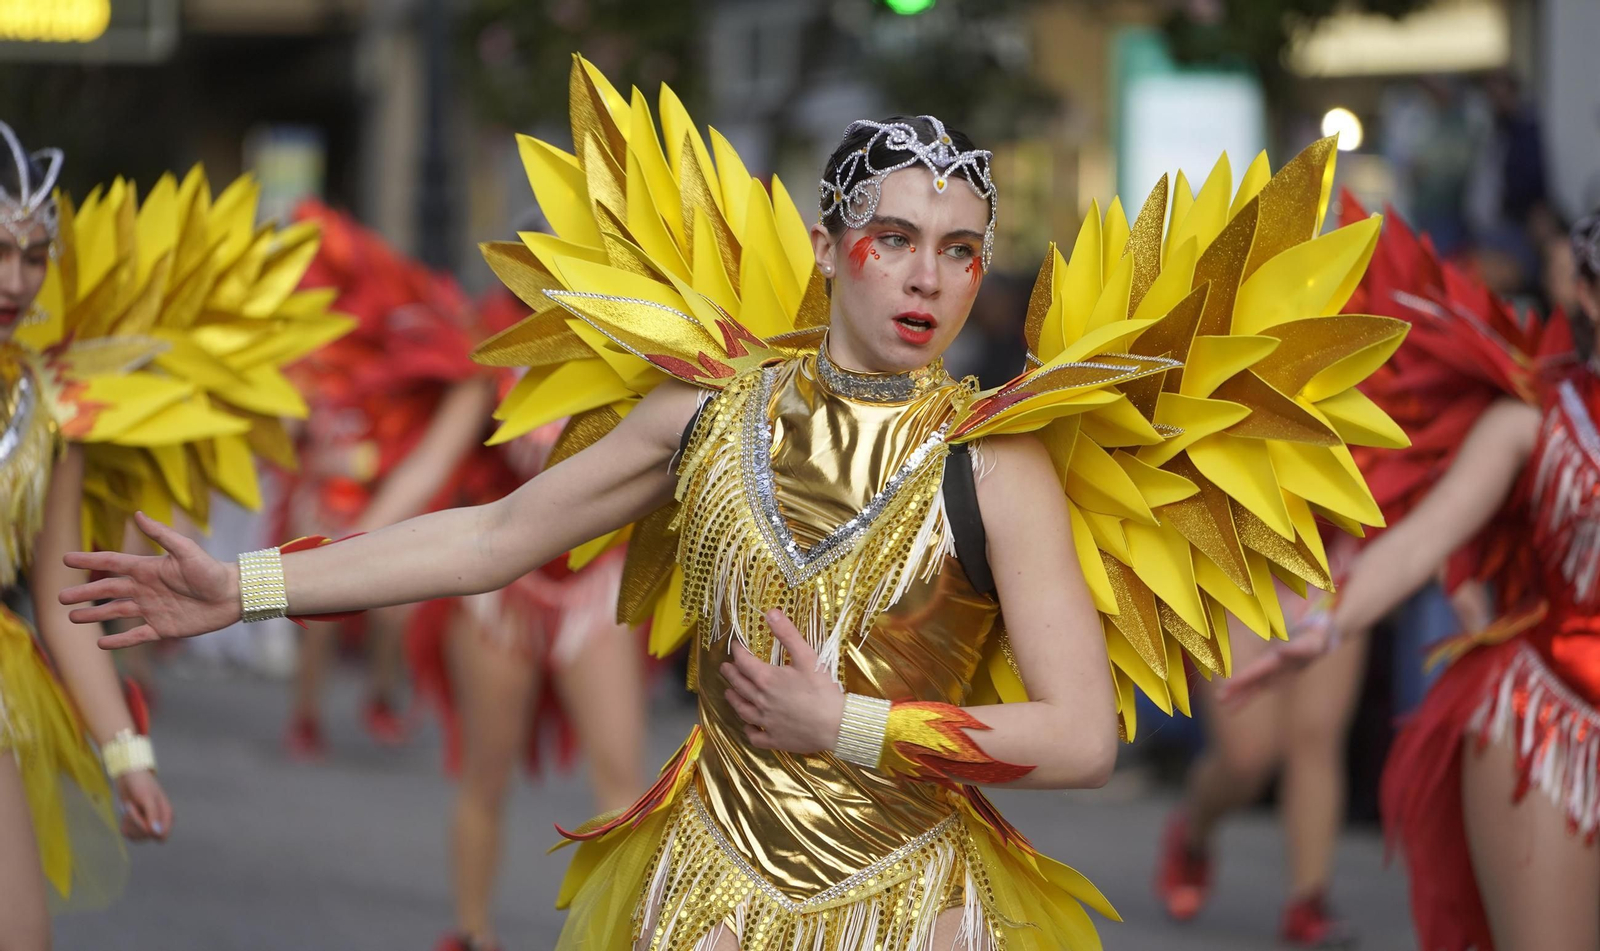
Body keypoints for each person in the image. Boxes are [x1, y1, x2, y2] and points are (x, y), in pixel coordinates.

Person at [61, 57, 1406, 950]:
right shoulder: (705, 413)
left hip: (915, 902)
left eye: (957, 251)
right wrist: (245, 585)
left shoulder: (1000, 464)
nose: (925, 278)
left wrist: (851, 720)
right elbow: (490, 534)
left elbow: (1082, 735)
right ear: (831, 250)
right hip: (705, 885)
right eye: (893, 241)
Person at [0, 122, 346, 949]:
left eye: (35, 255)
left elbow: (60, 596)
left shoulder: (48, 405)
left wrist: (128, 754)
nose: (15, 278)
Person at [1225, 210, 1600, 951]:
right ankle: (1264, 866)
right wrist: (1333, 621)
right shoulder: (1535, 420)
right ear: (1586, 293)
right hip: (1552, 722)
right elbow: (1425, 536)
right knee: (1266, 748)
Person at [416, 289, 648, 951]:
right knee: (487, 771)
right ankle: (472, 931)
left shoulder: (625, 357)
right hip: (500, 590)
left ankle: (622, 936)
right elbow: (430, 465)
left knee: (621, 781)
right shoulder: (494, 358)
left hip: (593, 586)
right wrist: (331, 556)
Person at [279, 202, 505, 759]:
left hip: (395, 498)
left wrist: (366, 519)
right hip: (334, 499)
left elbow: (424, 459)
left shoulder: (442, 354)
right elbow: (292, 432)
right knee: (315, 600)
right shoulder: (318, 359)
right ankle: (307, 715)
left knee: (392, 601)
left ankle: (381, 692)